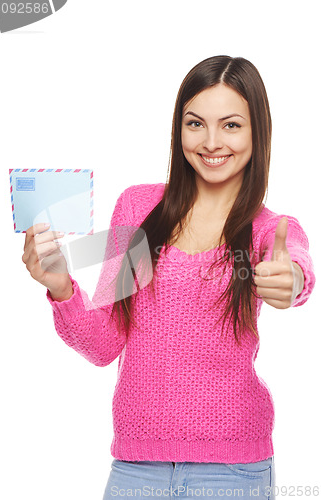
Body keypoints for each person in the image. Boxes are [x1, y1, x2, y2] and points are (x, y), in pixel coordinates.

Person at [22, 55, 316, 499]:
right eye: (196, 123)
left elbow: (296, 263)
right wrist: (62, 287)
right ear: (179, 130)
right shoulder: (140, 211)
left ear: (258, 130)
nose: (212, 141)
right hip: (135, 470)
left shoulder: (265, 229)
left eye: (231, 125)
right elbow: (105, 345)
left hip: (233, 472)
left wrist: (291, 280)